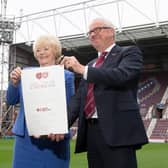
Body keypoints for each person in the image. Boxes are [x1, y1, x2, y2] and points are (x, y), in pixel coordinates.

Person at [61, 18, 148, 168]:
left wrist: (81, 69)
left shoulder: (129, 53)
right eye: (90, 32)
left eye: (97, 30)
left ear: (111, 31)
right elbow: (79, 99)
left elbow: (121, 76)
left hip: (118, 132)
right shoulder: (91, 64)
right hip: (91, 132)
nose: (92, 34)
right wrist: (59, 126)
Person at [6, 35, 75, 168]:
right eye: (38, 50)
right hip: (25, 139)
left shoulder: (66, 76)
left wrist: (59, 127)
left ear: (55, 51)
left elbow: (70, 107)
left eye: (46, 49)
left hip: (54, 137)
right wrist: (14, 83)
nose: (41, 52)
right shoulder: (24, 74)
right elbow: (11, 100)